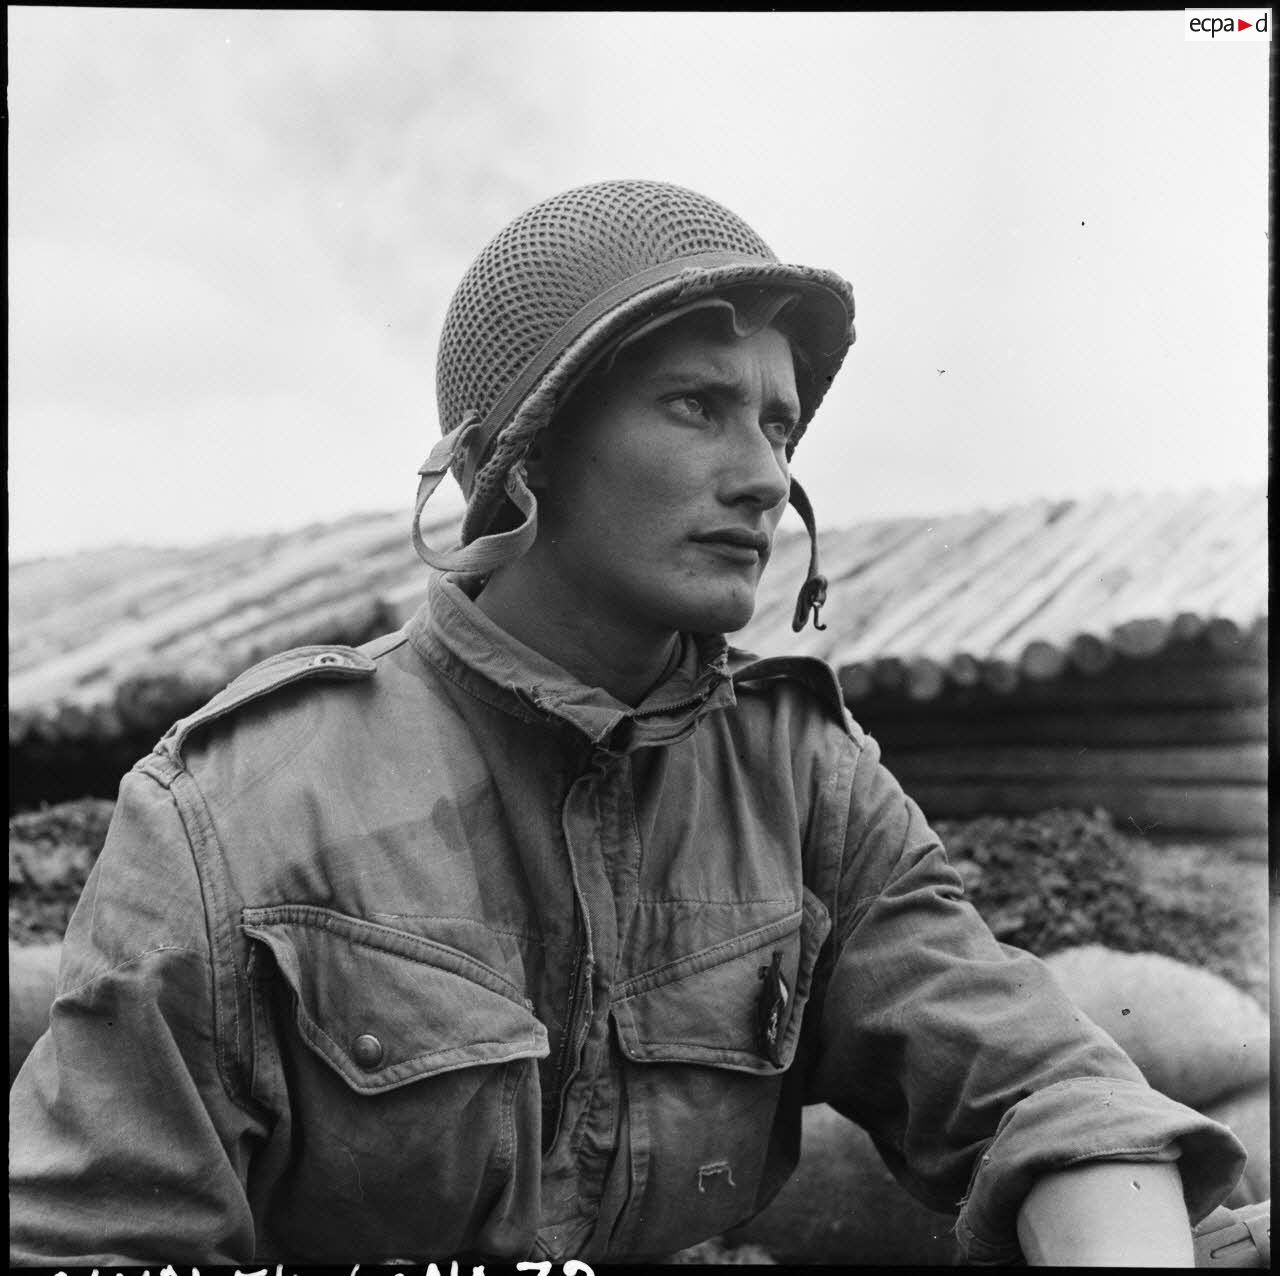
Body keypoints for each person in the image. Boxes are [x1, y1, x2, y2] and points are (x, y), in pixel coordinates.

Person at [9, 178, 1245, 1267]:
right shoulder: (240, 807)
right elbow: (98, 1240)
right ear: (530, 451)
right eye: (696, 404)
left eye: (775, 421)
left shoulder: (798, 779)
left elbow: (1039, 1081)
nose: (766, 473)